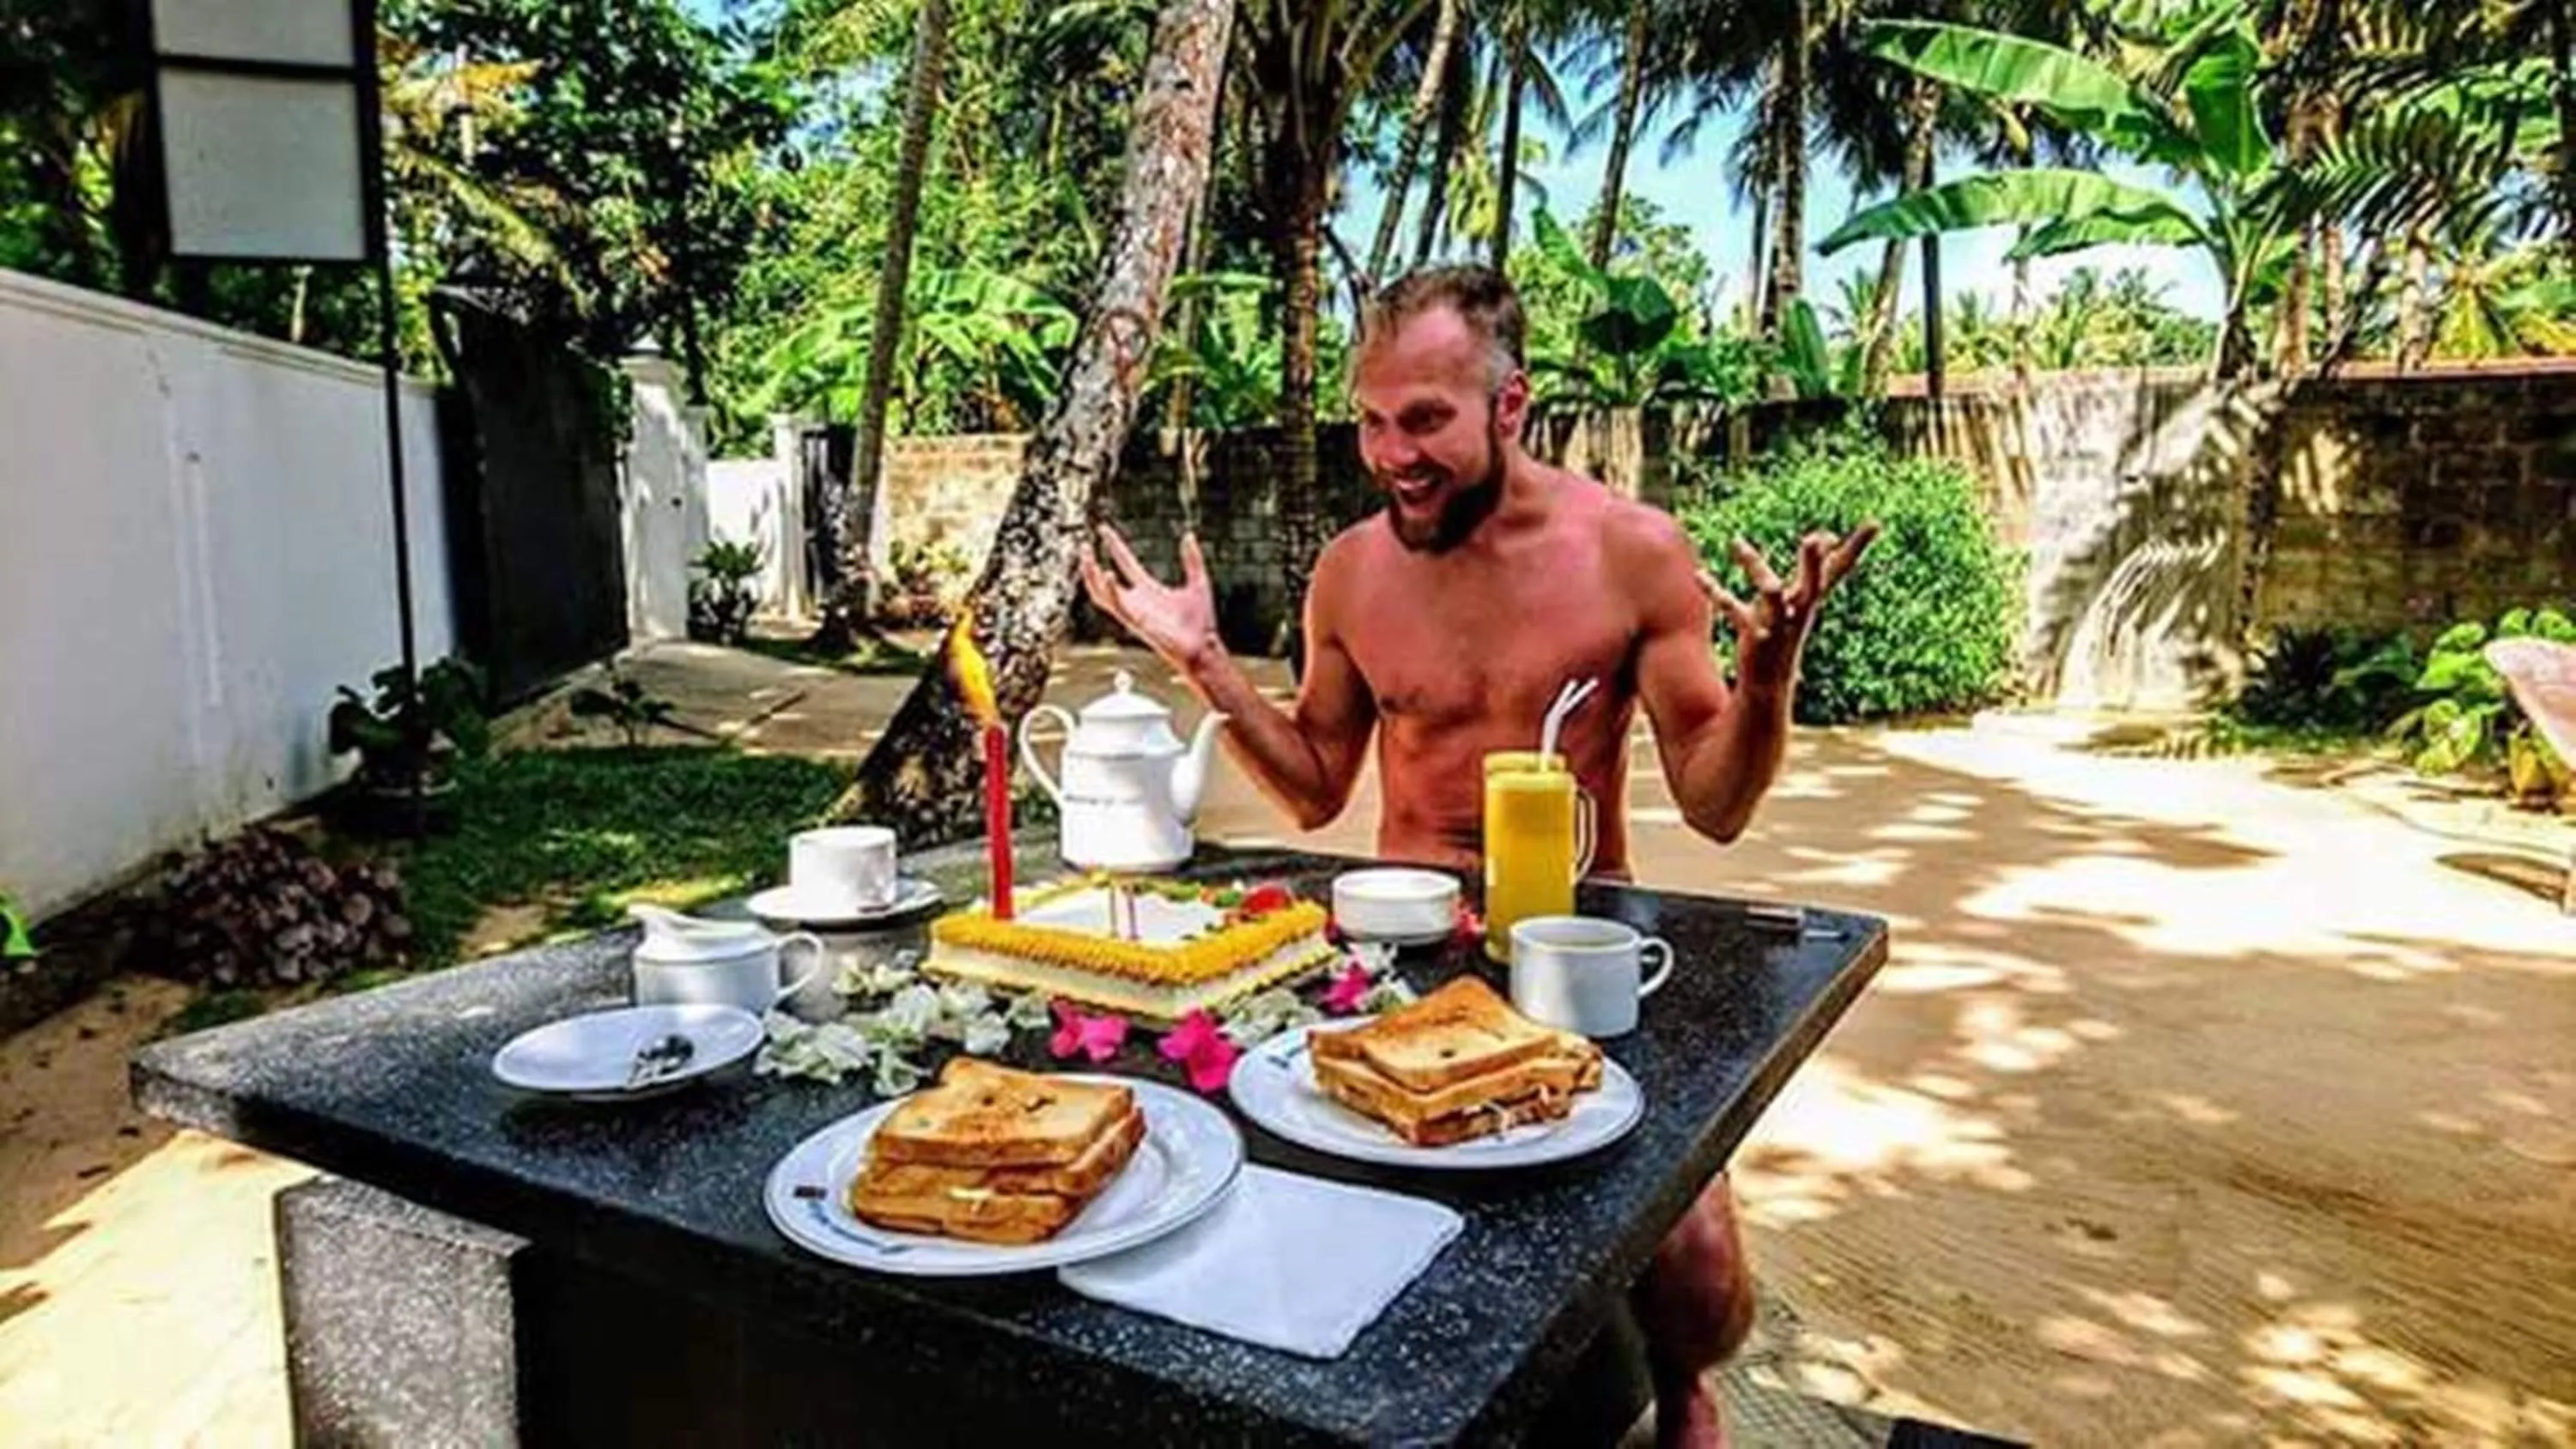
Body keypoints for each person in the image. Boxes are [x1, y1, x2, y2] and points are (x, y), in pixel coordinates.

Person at [1081, 264, 1876, 1449]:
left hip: (1575, 935)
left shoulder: (1632, 553)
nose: (1391, 451)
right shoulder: (1352, 572)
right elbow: (1311, 790)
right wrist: (1206, 667)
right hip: (1401, 946)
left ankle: (1685, 1378)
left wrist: (1767, 683)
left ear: (1511, 407)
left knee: (1702, 1281)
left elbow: (1715, 806)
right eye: (1371, 419)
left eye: (1425, 419)